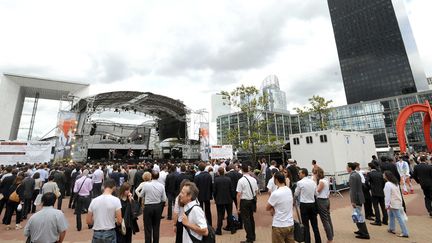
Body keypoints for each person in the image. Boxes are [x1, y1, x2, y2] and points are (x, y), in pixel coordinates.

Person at [86, 178, 122, 243]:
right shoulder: (116, 200)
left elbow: (88, 221)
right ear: (114, 187)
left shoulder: (94, 201)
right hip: (110, 231)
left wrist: (97, 222)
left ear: (104, 187)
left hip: (97, 233)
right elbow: (119, 221)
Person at [266, 171, 295, 243]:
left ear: (276, 180)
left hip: (279, 225)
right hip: (290, 224)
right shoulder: (288, 190)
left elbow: (267, 207)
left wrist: (272, 208)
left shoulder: (275, 193)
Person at [295, 168, 321, 243]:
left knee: (306, 226)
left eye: (300, 173)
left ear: (303, 173)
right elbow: (316, 193)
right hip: (312, 204)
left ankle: (307, 241)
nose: (298, 174)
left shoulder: (300, 183)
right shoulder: (312, 182)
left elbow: (296, 194)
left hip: (304, 205)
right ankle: (318, 241)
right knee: (315, 225)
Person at [140, 171, 167, 243]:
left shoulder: (146, 185)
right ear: (158, 177)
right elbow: (164, 199)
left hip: (148, 207)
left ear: (151, 176)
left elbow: (141, 195)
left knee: (147, 227)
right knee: (156, 227)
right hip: (157, 207)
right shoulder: (161, 186)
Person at [236, 164, 259, 243]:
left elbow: (239, 194)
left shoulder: (241, 180)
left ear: (242, 170)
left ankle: (249, 238)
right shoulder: (253, 179)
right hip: (252, 200)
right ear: (248, 170)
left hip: (244, 201)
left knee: (246, 220)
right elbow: (256, 191)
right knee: (251, 218)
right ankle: (253, 235)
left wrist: (238, 207)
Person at [347, 162, 370, 240]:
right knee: (357, 214)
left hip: (356, 199)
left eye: (347, 167)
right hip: (359, 197)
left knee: (359, 215)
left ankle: (365, 233)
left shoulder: (353, 176)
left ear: (350, 168)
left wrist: (353, 201)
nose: (346, 168)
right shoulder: (356, 174)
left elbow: (353, 190)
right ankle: (361, 230)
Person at [383, 171, 409, 238]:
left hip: (393, 203)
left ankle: (405, 232)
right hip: (397, 201)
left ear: (386, 176)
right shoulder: (395, 183)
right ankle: (391, 228)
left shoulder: (388, 184)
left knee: (399, 217)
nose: (383, 175)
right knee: (392, 215)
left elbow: (387, 195)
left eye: (384, 175)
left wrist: (386, 204)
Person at [314, 167, 334, 243]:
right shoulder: (326, 180)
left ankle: (330, 238)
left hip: (321, 201)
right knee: (328, 219)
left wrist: (315, 187)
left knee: (325, 221)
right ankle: (331, 236)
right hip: (326, 200)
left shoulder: (322, 181)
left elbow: (317, 191)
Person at [213, 167, 235, 235]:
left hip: (219, 200)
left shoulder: (216, 180)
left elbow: (214, 191)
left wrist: (215, 198)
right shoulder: (228, 179)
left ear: (219, 172)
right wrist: (232, 197)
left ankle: (219, 230)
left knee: (220, 215)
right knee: (230, 214)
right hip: (228, 199)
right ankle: (232, 229)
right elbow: (231, 189)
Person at [194, 162, 213, 226]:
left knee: (200, 211)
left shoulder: (197, 177)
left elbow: (195, 188)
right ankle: (209, 224)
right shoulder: (208, 176)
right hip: (207, 195)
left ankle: (202, 224)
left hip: (200, 196)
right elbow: (211, 186)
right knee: (208, 210)